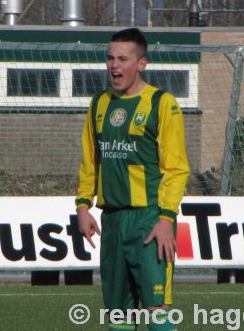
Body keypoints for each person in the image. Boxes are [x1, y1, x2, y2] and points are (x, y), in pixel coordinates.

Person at [75, 27, 190, 331]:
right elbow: (90, 161)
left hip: (149, 220)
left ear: (141, 64)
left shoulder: (162, 104)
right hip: (112, 221)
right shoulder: (99, 103)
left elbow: (177, 168)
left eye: (123, 59)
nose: (114, 65)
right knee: (118, 314)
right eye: (110, 58)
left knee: (157, 311)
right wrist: (83, 206)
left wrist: (166, 218)